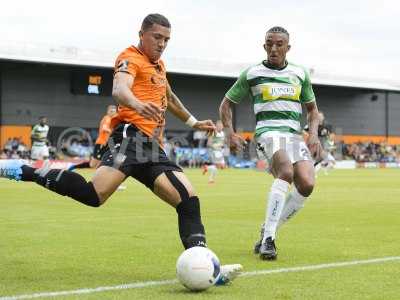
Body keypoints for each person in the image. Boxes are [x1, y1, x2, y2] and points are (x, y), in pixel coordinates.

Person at [0, 13, 241, 284]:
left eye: (167, 40)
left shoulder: (159, 66)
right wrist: (136, 105)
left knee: (188, 199)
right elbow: (120, 89)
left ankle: (206, 266)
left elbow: (169, 98)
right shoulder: (129, 58)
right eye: (157, 37)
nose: (162, 44)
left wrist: (194, 122)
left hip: (152, 145)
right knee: (94, 195)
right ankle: (26, 170)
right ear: (142, 34)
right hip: (130, 137)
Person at [219, 26, 321, 260]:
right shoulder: (252, 73)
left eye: (279, 44)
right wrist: (229, 133)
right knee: (285, 172)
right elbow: (226, 104)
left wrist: (313, 134)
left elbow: (313, 110)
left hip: (294, 136)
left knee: (306, 184)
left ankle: (268, 229)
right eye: (269, 43)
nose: (273, 48)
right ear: (264, 45)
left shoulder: (300, 73)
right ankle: (269, 240)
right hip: (268, 133)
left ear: (288, 47)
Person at [71, 105, 117, 170]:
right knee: (93, 164)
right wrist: (112, 132)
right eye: (111, 111)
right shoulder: (107, 118)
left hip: (108, 144)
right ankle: (73, 167)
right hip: (101, 143)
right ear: (108, 111)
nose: (113, 112)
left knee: (103, 161)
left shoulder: (113, 120)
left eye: (114, 111)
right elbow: (104, 128)